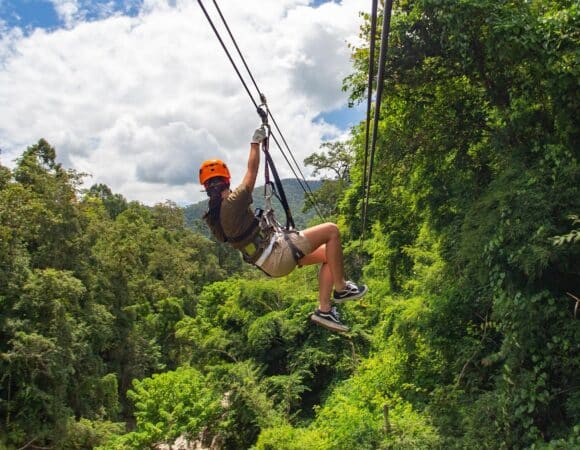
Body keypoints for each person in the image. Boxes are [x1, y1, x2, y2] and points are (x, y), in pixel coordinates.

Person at [198, 125, 367, 332]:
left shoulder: (215, 216)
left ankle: (324, 310)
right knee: (332, 230)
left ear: (206, 188)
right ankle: (341, 289)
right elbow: (251, 172)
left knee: (328, 257)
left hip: (270, 262)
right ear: (226, 180)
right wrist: (255, 143)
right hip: (277, 253)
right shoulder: (232, 203)